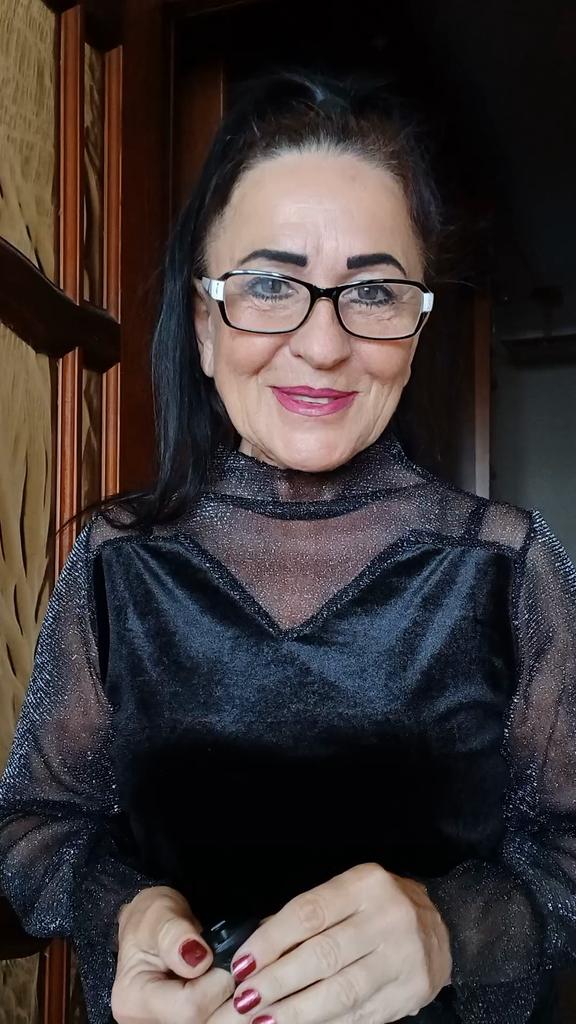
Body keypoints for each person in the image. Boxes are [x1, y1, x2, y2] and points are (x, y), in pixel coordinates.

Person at [1, 69, 575, 1024]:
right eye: (269, 285)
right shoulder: (114, 561)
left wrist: (449, 929)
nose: (322, 344)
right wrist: (129, 911)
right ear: (202, 324)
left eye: (374, 292)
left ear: (416, 328)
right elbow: (34, 828)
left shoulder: (509, 567)